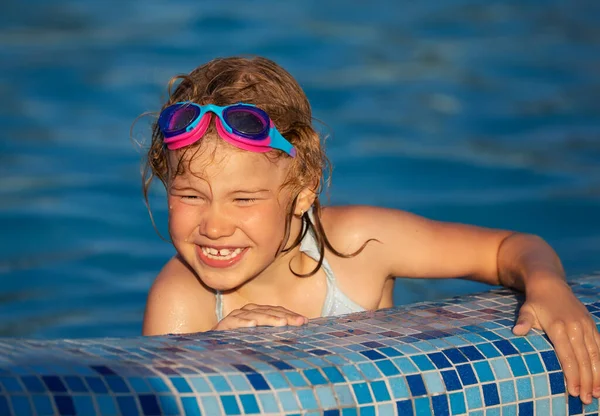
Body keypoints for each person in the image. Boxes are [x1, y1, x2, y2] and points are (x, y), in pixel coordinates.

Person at [140, 56, 599, 404]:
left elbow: (509, 247)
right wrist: (215, 353)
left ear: (301, 190)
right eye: (190, 196)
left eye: (244, 199)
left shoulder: (360, 245)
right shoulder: (182, 298)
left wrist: (549, 288)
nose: (214, 226)